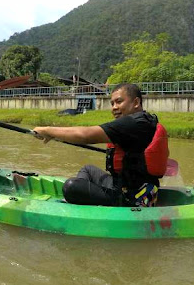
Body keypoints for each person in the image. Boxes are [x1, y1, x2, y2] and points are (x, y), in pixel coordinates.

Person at [33, 83, 169, 207]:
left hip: (132, 197)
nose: (114, 107)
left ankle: (82, 200)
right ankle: (83, 200)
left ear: (136, 102)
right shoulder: (145, 121)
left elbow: (85, 135)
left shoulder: (133, 123)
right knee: (88, 170)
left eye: (119, 102)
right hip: (125, 185)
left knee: (71, 187)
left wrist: (47, 130)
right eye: (112, 103)